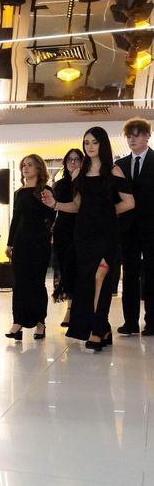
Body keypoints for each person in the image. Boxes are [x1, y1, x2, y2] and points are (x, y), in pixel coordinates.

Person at [42, 127, 135, 351]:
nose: (90, 146)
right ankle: (102, 328)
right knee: (87, 281)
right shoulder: (78, 174)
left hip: (107, 233)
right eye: (86, 142)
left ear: (102, 144)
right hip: (83, 234)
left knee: (100, 276)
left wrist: (106, 212)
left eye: (94, 142)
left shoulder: (113, 170)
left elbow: (129, 202)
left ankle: (96, 329)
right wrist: (55, 204)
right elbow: (77, 206)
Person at [5, 155, 55, 341]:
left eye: (30, 165)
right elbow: (15, 220)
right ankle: (18, 322)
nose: (25, 168)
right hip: (21, 242)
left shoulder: (46, 191)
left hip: (39, 243)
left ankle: (40, 322)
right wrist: (9, 243)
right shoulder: (18, 193)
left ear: (39, 168)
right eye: (23, 165)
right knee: (19, 283)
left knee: (36, 283)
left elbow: (51, 216)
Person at [116, 117, 154, 336]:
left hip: (152, 227)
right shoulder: (120, 165)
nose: (132, 140)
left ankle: (152, 322)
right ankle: (130, 322)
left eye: (136, 135)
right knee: (129, 273)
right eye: (129, 136)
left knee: (152, 273)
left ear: (147, 136)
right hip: (128, 228)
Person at [52, 148, 84, 327]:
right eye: (70, 159)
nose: (73, 162)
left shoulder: (86, 182)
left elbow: (79, 207)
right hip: (63, 230)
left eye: (77, 159)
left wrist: (57, 205)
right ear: (65, 163)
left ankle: (79, 311)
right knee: (66, 269)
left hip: (81, 229)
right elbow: (52, 210)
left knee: (79, 269)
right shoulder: (59, 184)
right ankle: (70, 309)